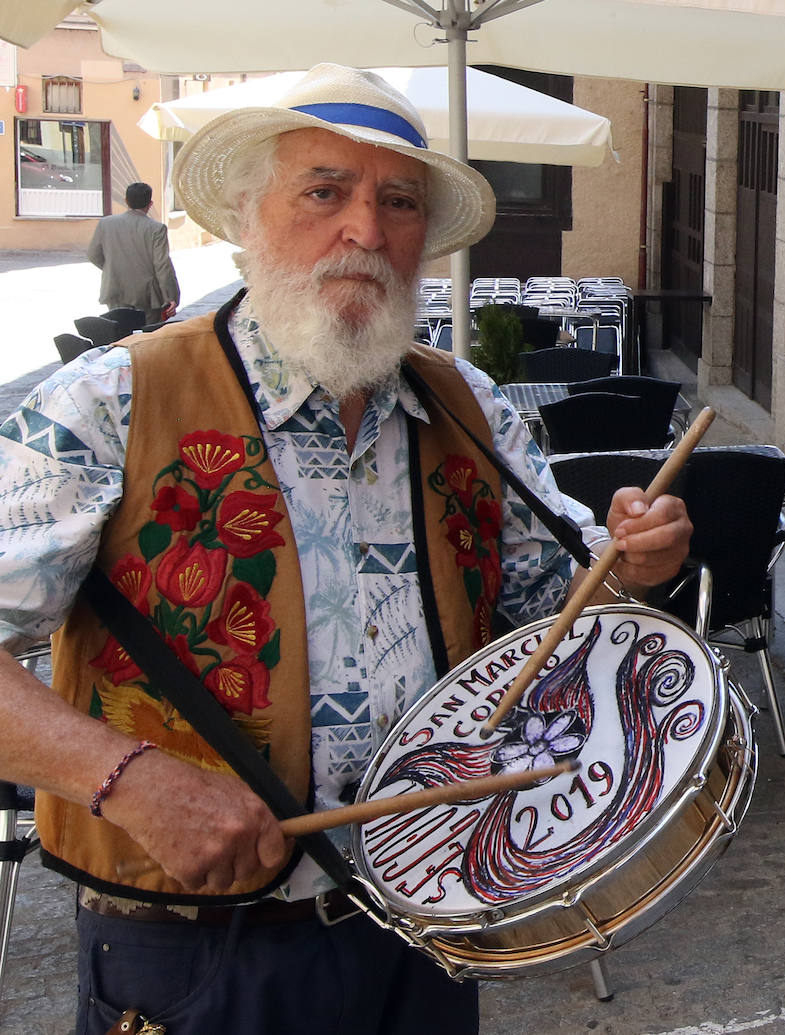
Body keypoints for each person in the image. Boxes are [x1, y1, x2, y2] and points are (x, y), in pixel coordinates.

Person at [0, 64, 692, 1034]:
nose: (365, 230)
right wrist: (125, 778)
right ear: (247, 219)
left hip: (427, 928)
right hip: (196, 951)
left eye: (398, 202)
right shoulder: (114, 398)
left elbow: (557, 620)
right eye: (324, 192)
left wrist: (636, 568)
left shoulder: (466, 404)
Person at [86, 181, 181, 326]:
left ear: (126, 201)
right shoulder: (156, 228)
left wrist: (112, 268)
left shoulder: (106, 224)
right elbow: (161, 264)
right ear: (150, 204)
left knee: (119, 333)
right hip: (147, 295)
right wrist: (170, 296)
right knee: (145, 337)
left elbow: (93, 254)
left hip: (115, 288)